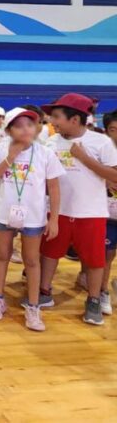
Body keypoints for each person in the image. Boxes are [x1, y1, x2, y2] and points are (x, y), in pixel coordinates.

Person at [0, 108, 64, 332]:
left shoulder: (45, 153)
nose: (25, 129)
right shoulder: (1, 149)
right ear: (9, 130)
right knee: (2, 255)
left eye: (29, 124)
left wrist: (54, 219)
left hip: (33, 216)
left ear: (37, 127)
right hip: (4, 212)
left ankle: (33, 305)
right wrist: (10, 157)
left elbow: (54, 188)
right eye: (19, 126)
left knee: (31, 260)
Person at [40, 94, 117, 325]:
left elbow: (114, 176)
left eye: (57, 116)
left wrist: (84, 158)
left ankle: (93, 300)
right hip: (58, 211)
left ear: (74, 119)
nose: (52, 121)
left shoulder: (101, 142)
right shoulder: (51, 142)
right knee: (49, 252)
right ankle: (44, 291)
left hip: (90, 212)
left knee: (94, 259)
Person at [103, 111, 117, 306]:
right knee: (106, 254)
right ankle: (102, 291)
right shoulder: (101, 153)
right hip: (108, 214)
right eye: (113, 129)